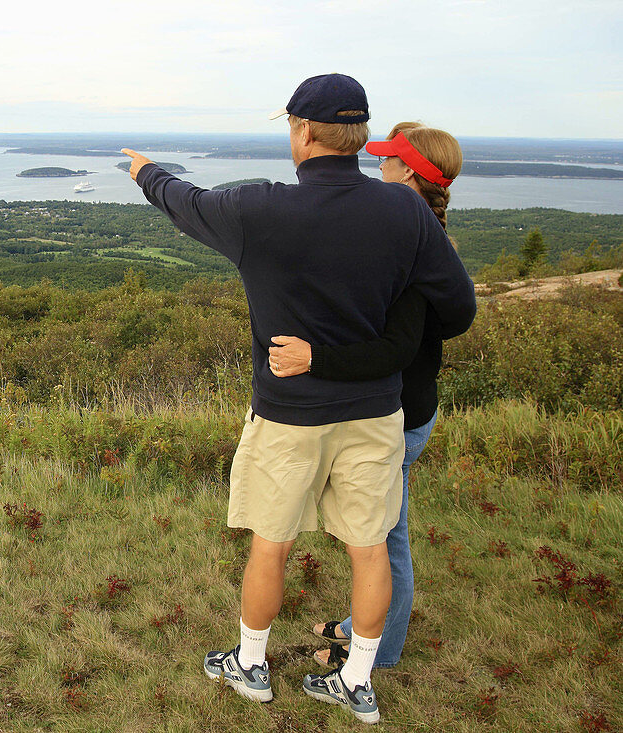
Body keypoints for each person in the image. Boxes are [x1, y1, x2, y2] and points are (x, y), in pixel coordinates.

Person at [122, 73, 476, 725]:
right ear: (360, 136)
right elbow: (457, 306)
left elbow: (184, 200)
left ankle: (252, 666)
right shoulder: (405, 211)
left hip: (290, 413)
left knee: (272, 543)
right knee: (371, 549)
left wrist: (146, 170)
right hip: (375, 415)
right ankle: (358, 680)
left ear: (304, 132)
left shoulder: (262, 209)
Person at [265, 122, 464, 671]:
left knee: (383, 539)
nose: (379, 168)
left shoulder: (416, 242)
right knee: (378, 529)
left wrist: (316, 359)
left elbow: (398, 346)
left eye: (389, 162)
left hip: (399, 409)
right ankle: (362, 625)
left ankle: (379, 652)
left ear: (409, 174)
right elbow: (450, 318)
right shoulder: (421, 234)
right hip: (407, 404)